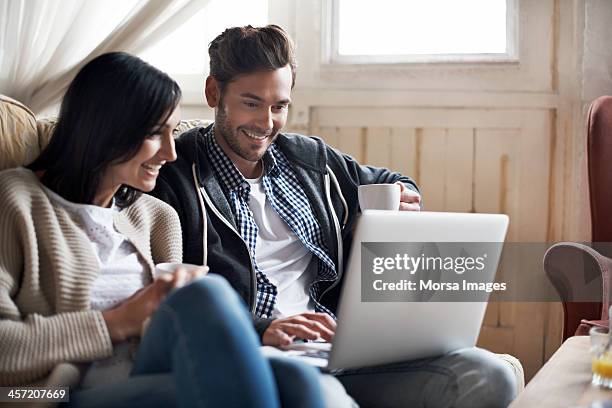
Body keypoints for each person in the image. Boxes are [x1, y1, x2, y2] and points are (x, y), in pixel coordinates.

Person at [150, 25, 519, 408]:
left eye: (279, 106)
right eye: (252, 103)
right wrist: (262, 329)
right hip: (258, 357)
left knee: (488, 373)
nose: (266, 123)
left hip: (338, 350)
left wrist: (405, 202)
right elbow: (172, 299)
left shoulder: (310, 161)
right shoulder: (175, 175)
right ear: (214, 92)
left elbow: (389, 181)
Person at [0, 52, 325, 408]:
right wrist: (118, 322)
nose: (170, 154)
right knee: (208, 310)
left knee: (299, 381)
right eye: (156, 135)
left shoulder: (156, 217)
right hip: (51, 394)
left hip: (145, 372)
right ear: (106, 128)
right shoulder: (15, 202)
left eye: (172, 133)